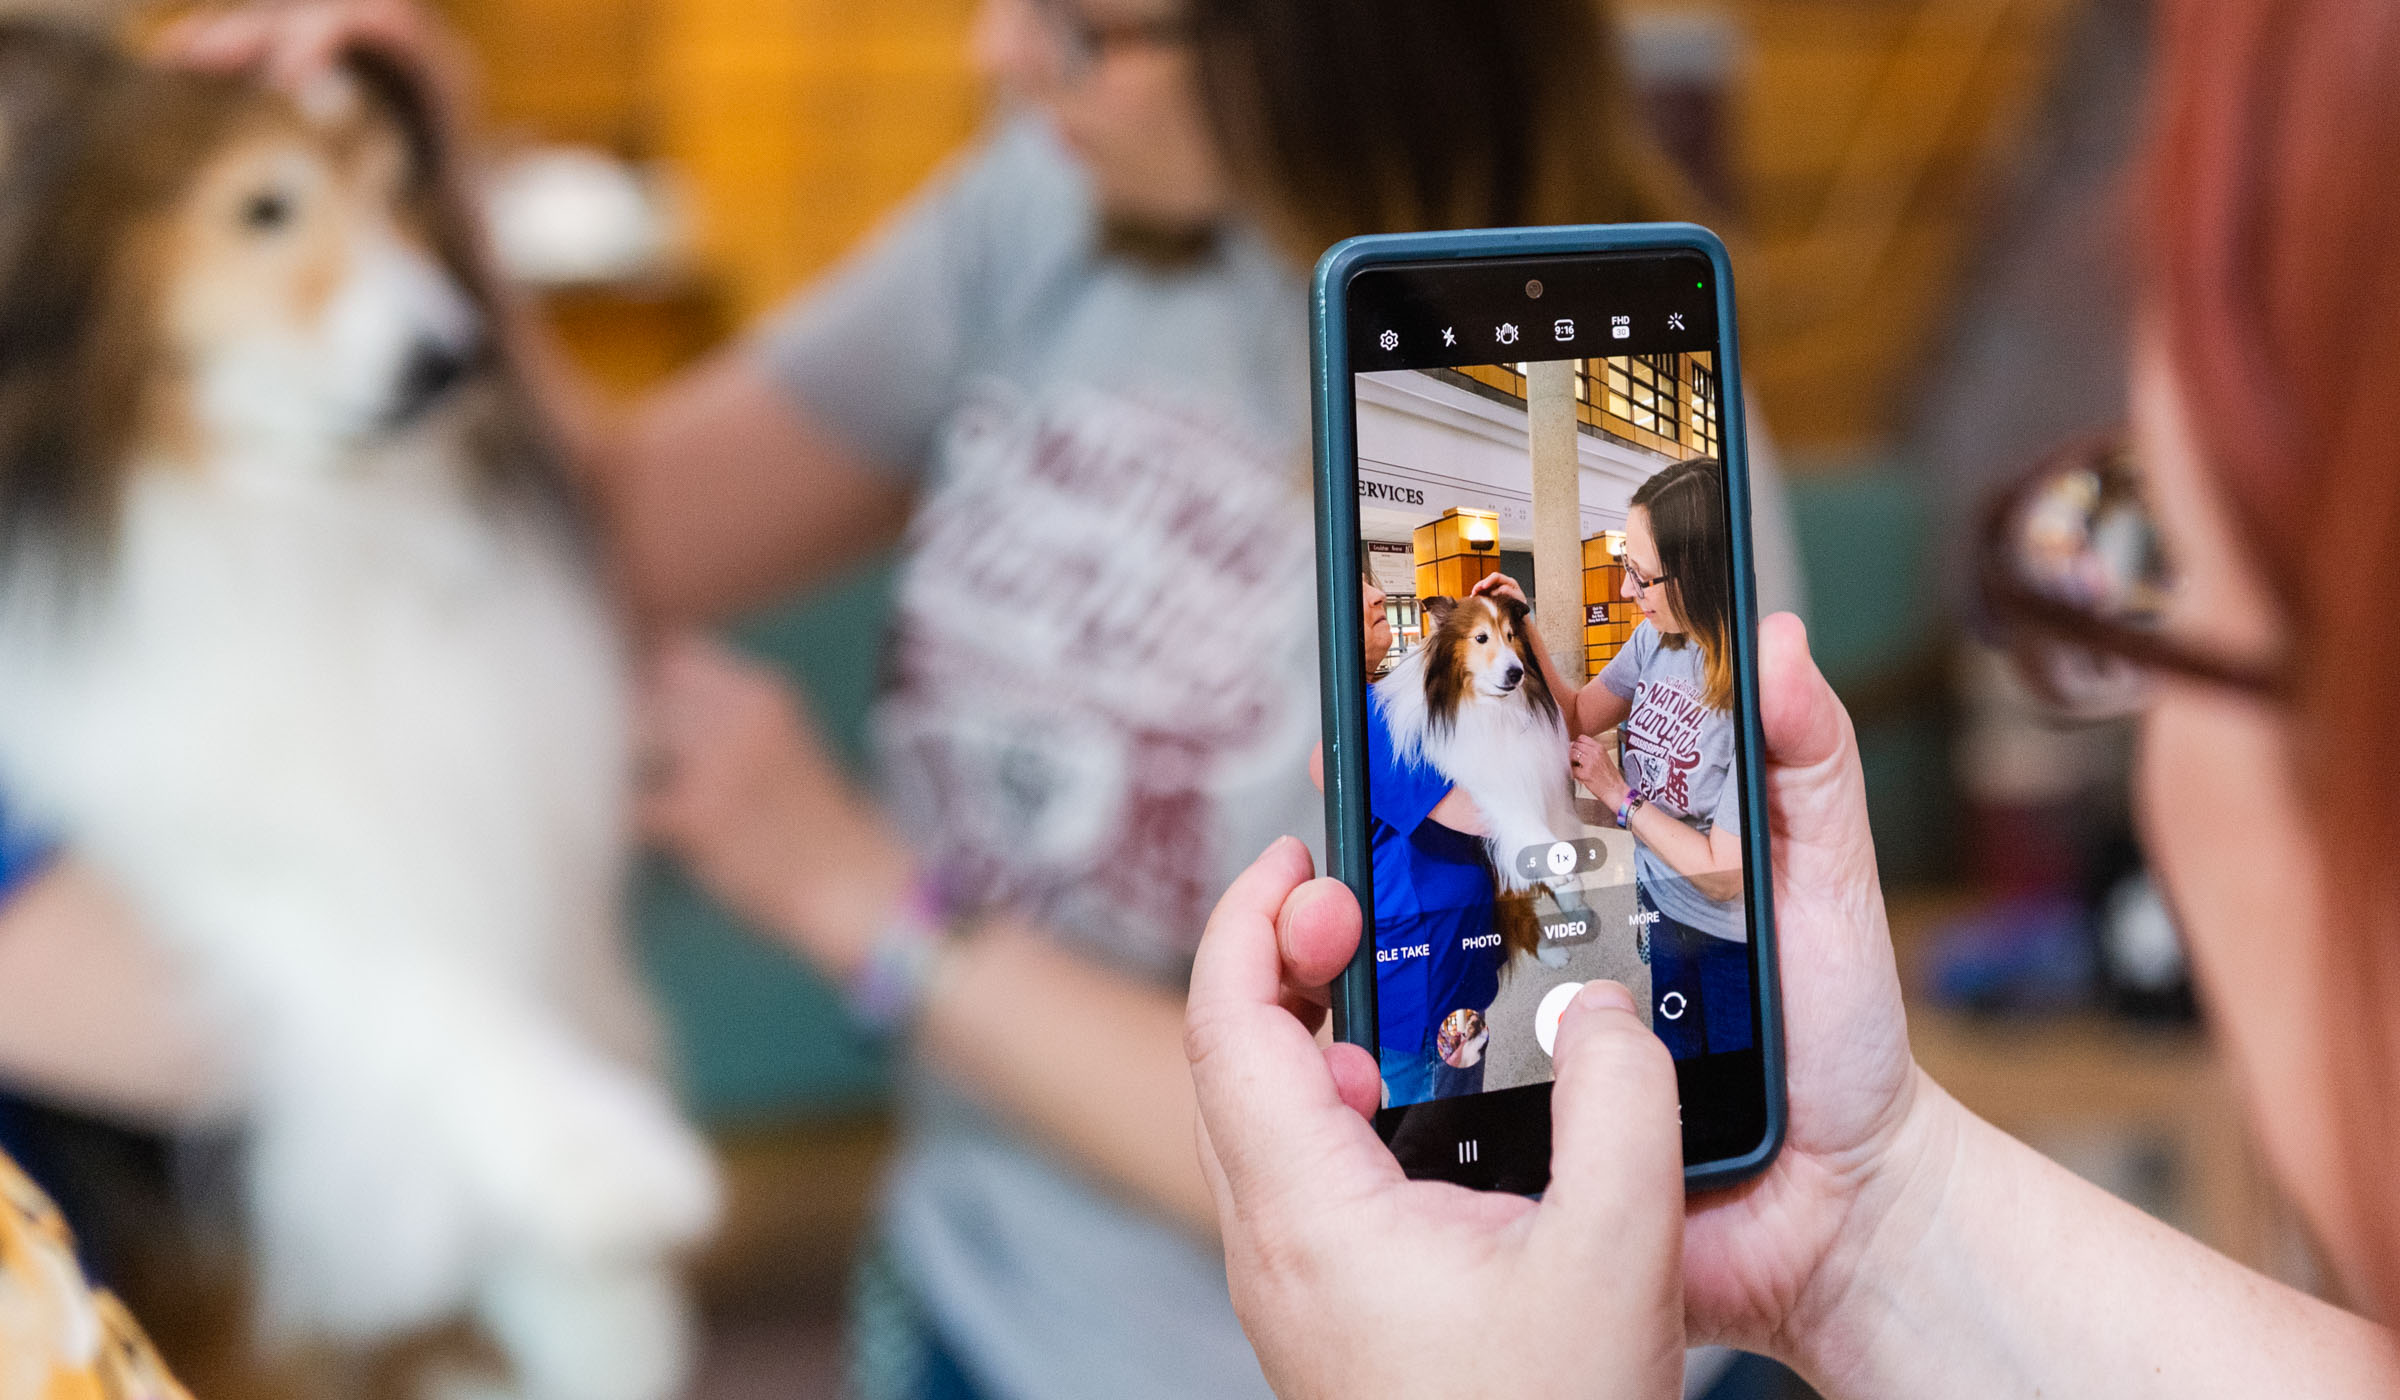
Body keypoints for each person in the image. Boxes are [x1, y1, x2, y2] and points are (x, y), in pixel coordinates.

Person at [146, 2, 1751, 1398]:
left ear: (1330, 36)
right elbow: (627, 525)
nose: (998, 52)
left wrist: (866, 901)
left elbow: (1423, 1144)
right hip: (991, 1292)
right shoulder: (1042, 209)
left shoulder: (1592, 429)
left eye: (1082, 23)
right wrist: (426, 183)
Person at [1187, 1, 2400, 1395]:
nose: (2164, 782)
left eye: (2157, 611)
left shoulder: (1703, 682)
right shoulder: (1641, 663)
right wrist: (1864, 1216)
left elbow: (1685, 838)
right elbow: (1585, 738)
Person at [1355, 574, 1504, 1106]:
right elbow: (1483, 814)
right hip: (1424, 982)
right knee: (1436, 1129)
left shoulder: (1387, 701)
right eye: (1359, 588)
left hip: (1450, 968)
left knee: (1457, 1104)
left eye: (1376, 587)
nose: (1377, 596)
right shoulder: (1371, 717)